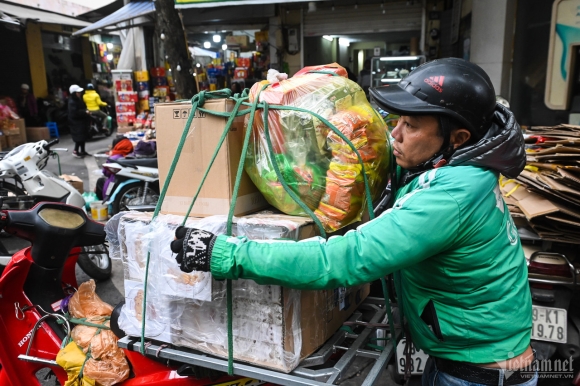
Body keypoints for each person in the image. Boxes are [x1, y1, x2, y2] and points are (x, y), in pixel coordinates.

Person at [170, 58, 535, 386]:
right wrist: (288, 97)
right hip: (469, 361)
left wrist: (225, 253)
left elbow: (346, 259)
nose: (395, 134)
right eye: (397, 121)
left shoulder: (451, 196)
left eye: (410, 125)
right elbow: (365, 143)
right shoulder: (461, 170)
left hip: (479, 376)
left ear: (457, 138)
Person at [67, 84, 90, 158]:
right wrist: (84, 112)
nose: (79, 94)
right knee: (78, 138)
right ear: (74, 93)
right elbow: (74, 113)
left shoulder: (78, 100)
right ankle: (75, 151)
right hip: (76, 123)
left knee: (83, 137)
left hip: (81, 121)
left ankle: (82, 150)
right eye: (78, 92)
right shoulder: (72, 102)